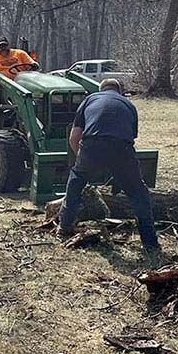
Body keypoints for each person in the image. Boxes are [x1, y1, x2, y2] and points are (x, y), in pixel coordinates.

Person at [57, 78, 159, 254]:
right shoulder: (128, 105)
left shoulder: (89, 100)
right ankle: (150, 242)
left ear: (100, 89)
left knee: (75, 183)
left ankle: (65, 226)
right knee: (138, 193)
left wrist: (82, 161)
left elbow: (74, 138)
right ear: (118, 91)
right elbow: (129, 136)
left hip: (92, 145)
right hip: (121, 148)